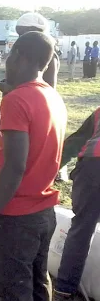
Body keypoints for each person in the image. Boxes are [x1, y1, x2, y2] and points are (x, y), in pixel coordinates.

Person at [0, 32, 67, 301]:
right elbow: (28, 160)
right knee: (37, 285)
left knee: (14, 292)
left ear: (19, 55)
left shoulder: (16, 100)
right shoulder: (53, 97)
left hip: (15, 220)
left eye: (10, 55)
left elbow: (16, 167)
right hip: (44, 213)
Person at [54, 106, 100, 300]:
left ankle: (64, 289)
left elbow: (73, 144)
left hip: (92, 167)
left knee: (82, 227)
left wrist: (50, 170)